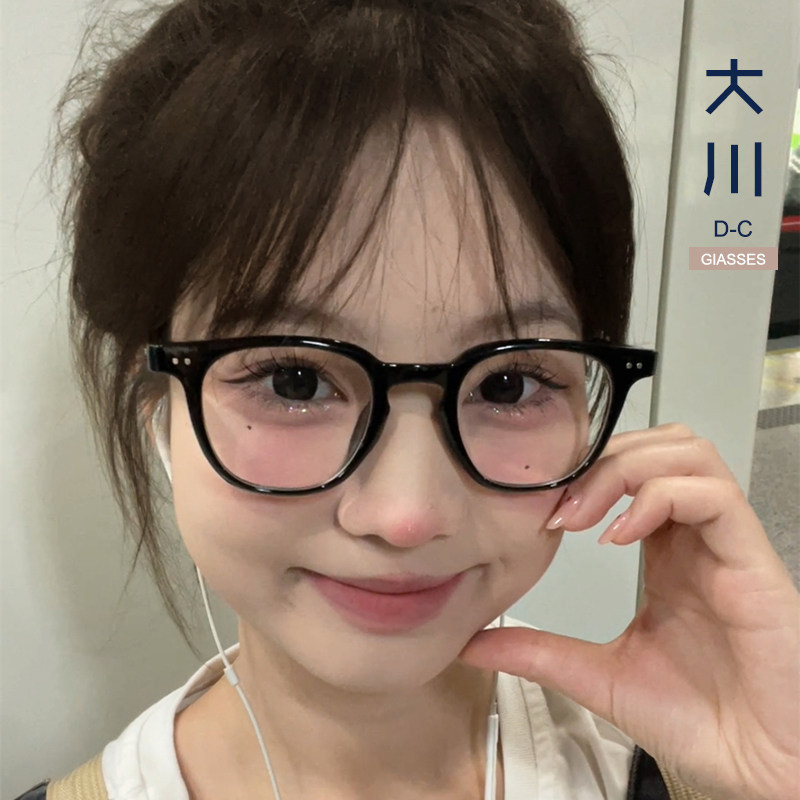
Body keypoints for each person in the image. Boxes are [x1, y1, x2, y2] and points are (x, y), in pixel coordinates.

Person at [17, 1, 799, 798]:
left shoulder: (682, 769)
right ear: (157, 411)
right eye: (295, 380)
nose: (407, 516)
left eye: (507, 383)